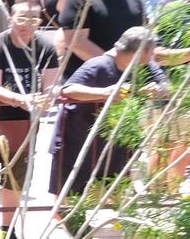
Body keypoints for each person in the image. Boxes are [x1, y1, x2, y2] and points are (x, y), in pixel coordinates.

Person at [0, 0, 59, 238]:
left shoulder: (45, 48)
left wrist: (48, 97)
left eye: (32, 19)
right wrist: (22, 99)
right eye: (21, 18)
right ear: (10, 20)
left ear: (39, 23)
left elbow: (50, 84)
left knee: (15, 177)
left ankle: (7, 230)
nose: (26, 24)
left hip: (24, 121)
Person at [53, 26, 170, 193]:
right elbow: (67, 90)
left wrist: (158, 90)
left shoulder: (145, 65)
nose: (153, 55)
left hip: (118, 144)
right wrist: (104, 93)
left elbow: (166, 86)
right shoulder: (98, 65)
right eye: (150, 51)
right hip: (81, 141)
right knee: (71, 196)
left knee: (114, 196)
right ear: (138, 51)